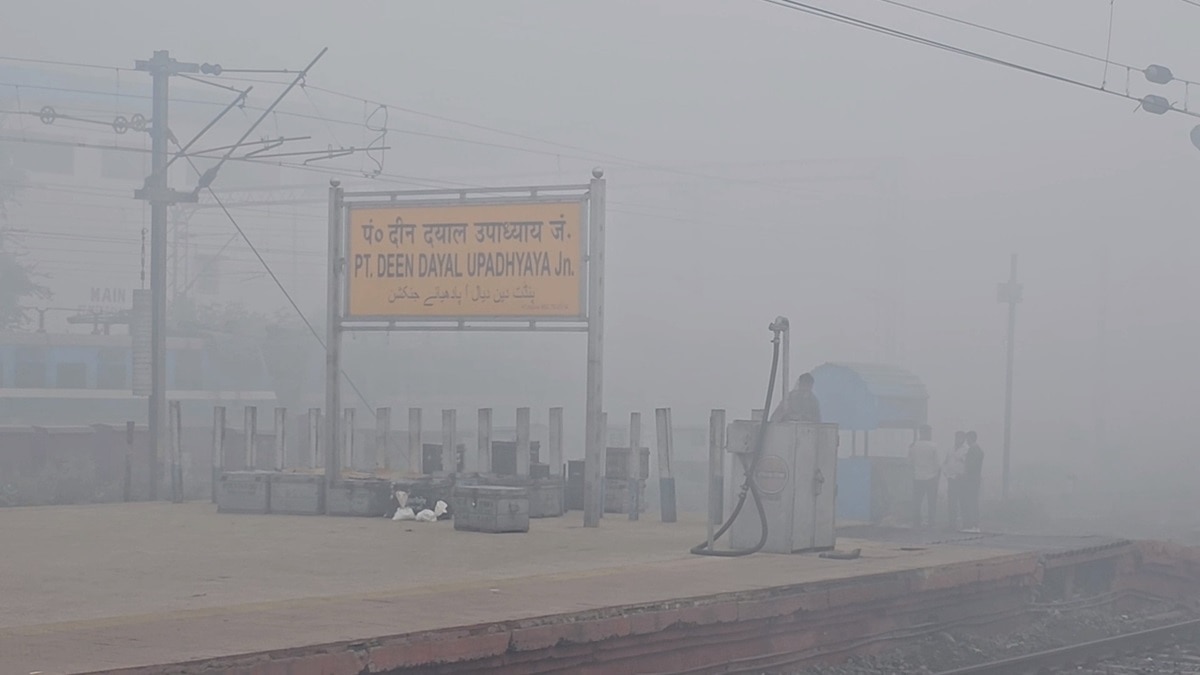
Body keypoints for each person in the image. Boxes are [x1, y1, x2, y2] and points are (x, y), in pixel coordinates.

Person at [908, 425, 940, 529]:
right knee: (931, 502)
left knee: (917, 502)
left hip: (917, 477)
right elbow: (937, 463)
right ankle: (931, 523)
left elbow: (910, 461)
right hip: (931, 477)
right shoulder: (933, 446)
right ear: (927, 433)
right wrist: (935, 474)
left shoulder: (913, 446)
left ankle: (916, 522)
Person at [943, 431, 967, 531]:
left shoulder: (966, 450)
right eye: (957, 437)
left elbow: (967, 464)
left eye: (960, 437)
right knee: (951, 502)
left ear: (963, 439)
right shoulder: (950, 449)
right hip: (951, 479)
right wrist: (946, 473)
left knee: (962, 501)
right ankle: (951, 523)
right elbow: (945, 462)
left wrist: (962, 475)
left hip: (961, 479)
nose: (958, 439)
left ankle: (964, 523)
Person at [962, 431, 984, 533]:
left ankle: (973, 524)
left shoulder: (974, 450)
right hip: (974, 479)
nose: (966, 441)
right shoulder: (977, 450)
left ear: (972, 438)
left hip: (972, 480)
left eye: (968, 438)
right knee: (972, 501)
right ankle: (973, 524)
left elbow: (971, 466)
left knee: (971, 501)